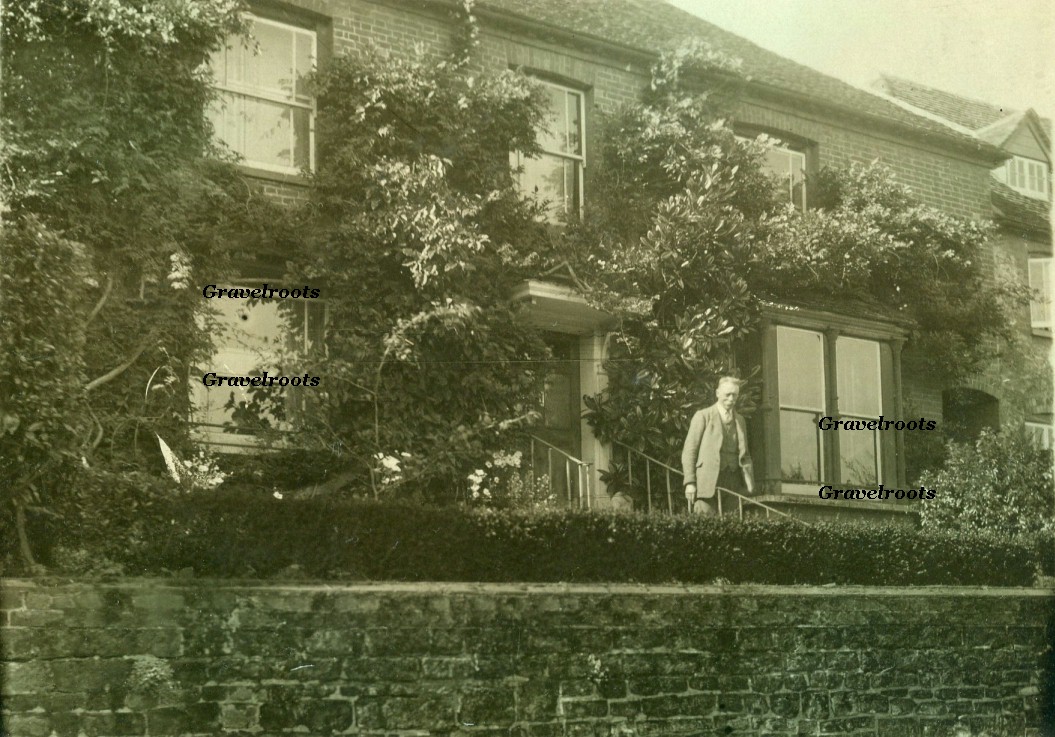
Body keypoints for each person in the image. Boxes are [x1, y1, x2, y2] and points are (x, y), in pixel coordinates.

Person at [681, 376, 755, 515]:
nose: (731, 398)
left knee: (732, 526)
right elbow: (690, 451)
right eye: (728, 394)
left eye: (735, 395)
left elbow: (746, 455)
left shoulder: (740, 420)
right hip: (708, 482)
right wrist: (690, 483)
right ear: (717, 393)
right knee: (706, 526)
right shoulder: (703, 416)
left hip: (733, 482)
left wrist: (750, 484)